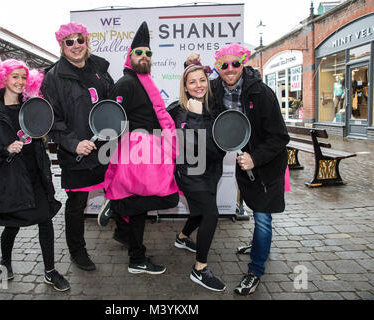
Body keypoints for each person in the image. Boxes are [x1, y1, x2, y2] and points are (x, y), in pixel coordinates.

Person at [187, 43, 290, 295]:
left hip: (266, 165)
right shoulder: (214, 89)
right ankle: (257, 246)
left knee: (263, 220)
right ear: (218, 69)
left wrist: (255, 158)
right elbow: (193, 85)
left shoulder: (262, 93)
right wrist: (190, 65)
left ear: (242, 63)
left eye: (235, 63)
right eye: (224, 65)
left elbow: (280, 137)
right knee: (254, 209)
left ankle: (255, 270)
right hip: (243, 166)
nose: (230, 69)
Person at [0, 55, 70, 292]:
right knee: (12, 225)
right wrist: (5, 149)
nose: (20, 81)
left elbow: (42, 135)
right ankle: (5, 262)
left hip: (35, 174)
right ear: (1, 78)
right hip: (10, 180)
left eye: (23, 77)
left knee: (45, 221)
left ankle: (50, 271)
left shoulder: (32, 107)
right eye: (14, 76)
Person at [99, 22, 179, 274]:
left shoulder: (144, 83)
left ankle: (120, 218)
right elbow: (111, 119)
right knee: (148, 201)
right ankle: (136, 257)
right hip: (135, 152)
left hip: (149, 150)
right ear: (129, 57)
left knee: (146, 202)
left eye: (148, 53)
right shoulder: (126, 83)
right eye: (138, 53)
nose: (144, 56)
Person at [40, 22, 115, 271]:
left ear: (86, 42)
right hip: (76, 153)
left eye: (79, 40)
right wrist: (74, 143)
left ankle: (124, 233)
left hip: (105, 147)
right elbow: (51, 120)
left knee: (120, 187)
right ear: (62, 46)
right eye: (69, 42)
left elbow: (112, 103)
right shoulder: (53, 77)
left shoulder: (100, 69)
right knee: (77, 203)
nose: (75, 46)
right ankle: (77, 251)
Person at [167, 63, 226, 291]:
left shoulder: (215, 107)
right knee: (210, 212)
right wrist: (195, 117)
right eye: (192, 81)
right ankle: (200, 269)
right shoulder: (179, 111)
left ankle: (182, 237)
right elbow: (191, 149)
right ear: (185, 86)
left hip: (212, 171)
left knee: (200, 211)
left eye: (202, 80)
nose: (198, 85)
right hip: (190, 172)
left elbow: (217, 148)